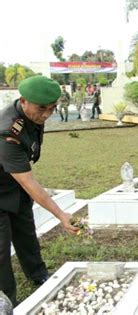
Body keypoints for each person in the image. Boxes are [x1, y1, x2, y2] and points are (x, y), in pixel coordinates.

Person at [0, 76, 79, 305]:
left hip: (12, 182)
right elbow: (28, 182)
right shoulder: (7, 133)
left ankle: (39, 275)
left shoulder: (34, 114)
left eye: (52, 109)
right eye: (41, 109)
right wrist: (62, 215)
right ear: (24, 101)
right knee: (1, 248)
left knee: (26, 234)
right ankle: (7, 300)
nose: (46, 114)